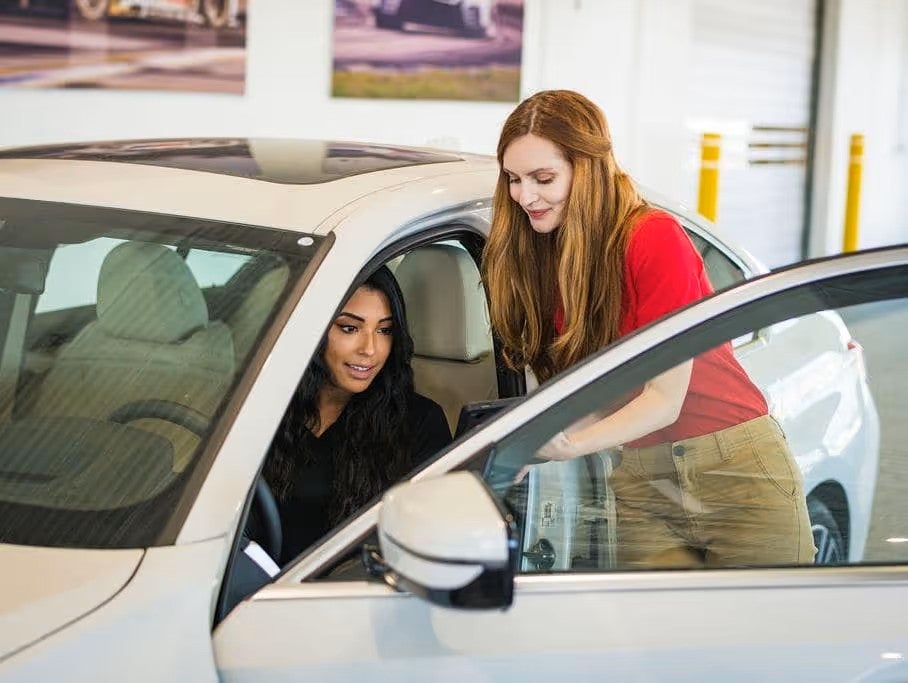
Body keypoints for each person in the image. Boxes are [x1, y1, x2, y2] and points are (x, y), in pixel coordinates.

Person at [482, 89, 815, 568]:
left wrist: (566, 444)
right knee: (655, 640)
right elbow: (595, 398)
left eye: (543, 178)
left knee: (763, 636)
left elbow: (664, 399)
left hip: (736, 469)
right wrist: (521, 450)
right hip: (640, 478)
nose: (524, 196)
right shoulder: (539, 256)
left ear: (588, 170)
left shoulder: (652, 237)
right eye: (513, 179)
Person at [263, 266, 452, 565]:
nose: (370, 349)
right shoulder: (266, 406)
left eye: (384, 330)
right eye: (350, 328)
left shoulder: (420, 422)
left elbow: (431, 547)